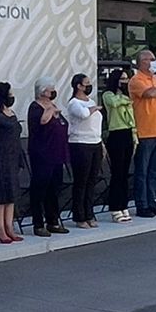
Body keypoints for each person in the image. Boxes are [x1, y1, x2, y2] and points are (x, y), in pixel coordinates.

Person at [27, 77, 70, 236]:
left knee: (54, 188)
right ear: (43, 91)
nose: (53, 92)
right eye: (50, 89)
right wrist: (51, 111)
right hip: (42, 153)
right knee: (40, 188)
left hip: (57, 152)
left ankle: (53, 220)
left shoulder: (53, 105)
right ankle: (38, 223)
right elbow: (43, 121)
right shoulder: (35, 107)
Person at [129, 50, 156, 217]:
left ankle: (153, 202)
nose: (154, 62)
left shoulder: (155, 79)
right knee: (142, 172)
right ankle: (142, 204)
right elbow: (149, 93)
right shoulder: (136, 80)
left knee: (154, 171)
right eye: (150, 59)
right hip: (144, 133)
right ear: (142, 62)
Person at [0, 82, 25, 243]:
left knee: (11, 195)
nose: (11, 97)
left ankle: (10, 226)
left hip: (13, 155)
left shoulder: (11, 112)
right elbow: (6, 126)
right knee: (0, 195)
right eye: (9, 94)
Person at [65, 73, 104, 228]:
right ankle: (79, 215)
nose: (89, 86)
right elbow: (83, 114)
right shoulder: (74, 103)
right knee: (81, 181)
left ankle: (89, 212)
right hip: (80, 143)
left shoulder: (90, 101)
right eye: (86, 83)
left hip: (95, 142)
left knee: (91, 180)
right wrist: (93, 108)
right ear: (78, 86)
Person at [101, 68, 135, 222]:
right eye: (122, 79)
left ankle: (123, 204)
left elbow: (132, 115)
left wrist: (135, 137)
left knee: (125, 173)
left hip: (128, 133)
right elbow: (114, 103)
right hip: (116, 133)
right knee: (117, 172)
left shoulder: (126, 96)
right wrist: (125, 100)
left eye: (126, 79)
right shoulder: (108, 95)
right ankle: (115, 207)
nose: (125, 82)